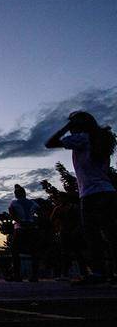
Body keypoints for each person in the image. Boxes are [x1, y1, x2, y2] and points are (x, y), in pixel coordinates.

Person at [45, 111, 117, 284]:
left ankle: (99, 273)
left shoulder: (82, 138)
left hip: (91, 194)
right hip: (108, 191)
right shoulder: (100, 138)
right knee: (112, 234)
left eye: (72, 125)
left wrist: (66, 127)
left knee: (92, 236)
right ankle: (112, 273)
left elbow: (50, 143)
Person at [6, 184, 40, 282]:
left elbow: (12, 215)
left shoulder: (14, 203)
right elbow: (40, 213)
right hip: (32, 227)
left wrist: (20, 221)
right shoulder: (33, 203)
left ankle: (17, 275)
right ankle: (34, 276)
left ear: (16, 194)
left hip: (20, 228)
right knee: (34, 252)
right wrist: (33, 221)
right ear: (25, 193)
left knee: (15, 251)